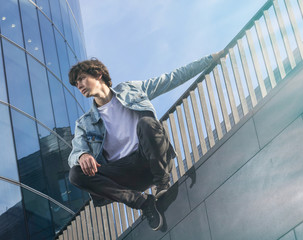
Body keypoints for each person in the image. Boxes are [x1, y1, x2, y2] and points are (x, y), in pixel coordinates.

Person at [68, 52, 223, 231]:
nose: (79, 85)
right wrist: (82, 155)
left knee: (146, 123)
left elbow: (171, 78)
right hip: (124, 175)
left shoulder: (131, 89)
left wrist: (210, 59)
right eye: (76, 84)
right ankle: (143, 203)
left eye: (81, 79)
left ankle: (162, 183)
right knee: (75, 174)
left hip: (150, 161)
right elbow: (75, 153)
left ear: (98, 74)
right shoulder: (84, 123)